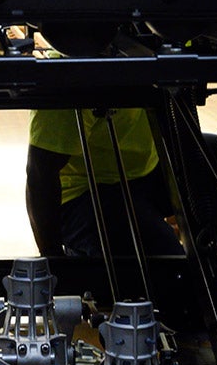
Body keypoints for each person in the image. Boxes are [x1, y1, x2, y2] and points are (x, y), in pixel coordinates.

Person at [25, 107, 183, 262]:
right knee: (167, 259)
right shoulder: (70, 89)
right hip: (86, 191)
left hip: (144, 172)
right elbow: (40, 175)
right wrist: (54, 260)